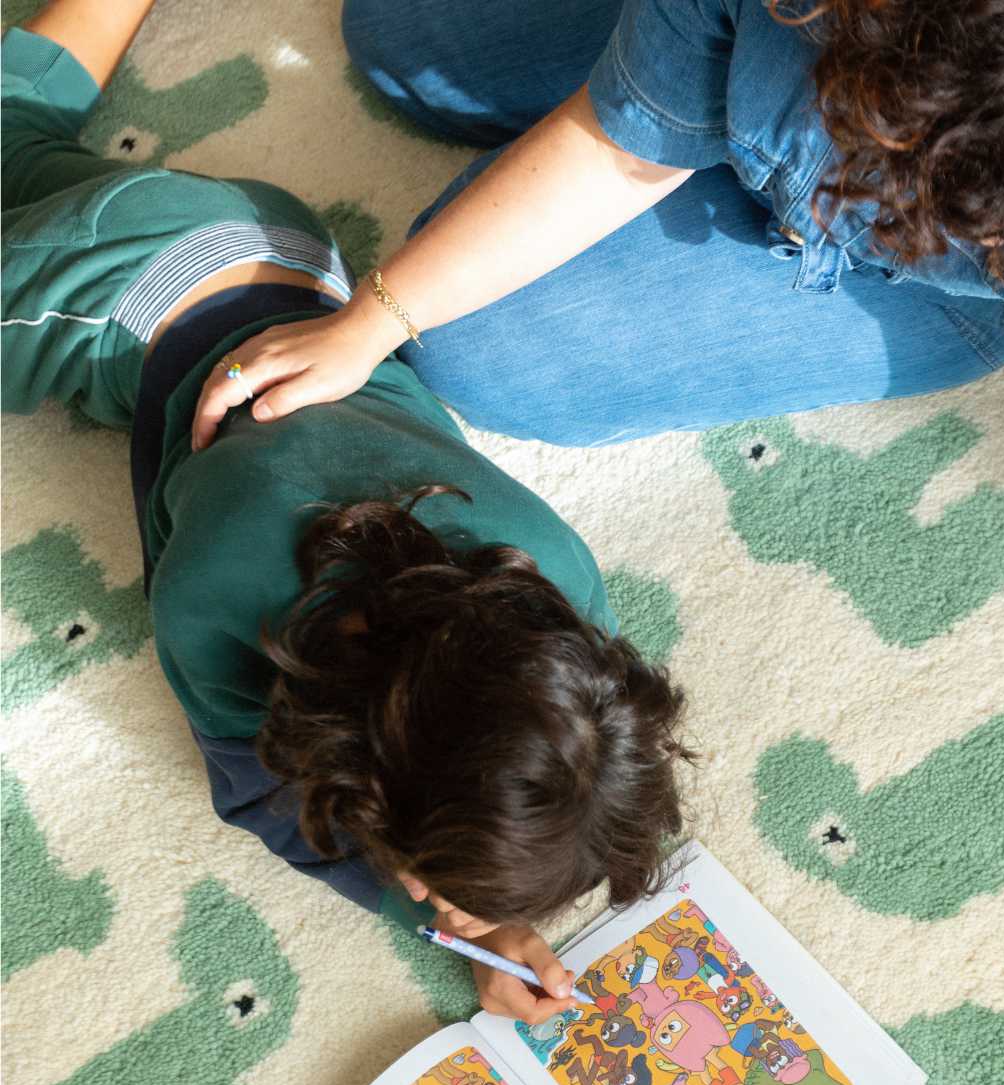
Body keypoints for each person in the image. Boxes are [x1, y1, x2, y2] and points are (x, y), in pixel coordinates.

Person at [189, 0, 1004, 736]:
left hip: (890, 277)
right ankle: (700, 89)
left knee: (473, 346)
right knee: (402, 38)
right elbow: (613, 150)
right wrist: (368, 316)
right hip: (790, 65)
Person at [1, 1, 690, 1023]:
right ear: (362, 770)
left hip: (297, 256)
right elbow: (255, 793)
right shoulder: (228, 590)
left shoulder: (563, 584)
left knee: (18, 140)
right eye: (421, 871)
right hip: (115, 286)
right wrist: (425, 908)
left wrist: (482, 918)